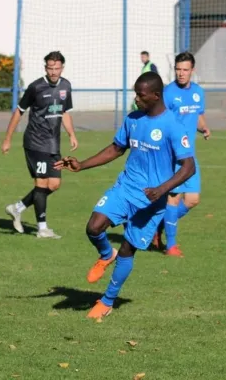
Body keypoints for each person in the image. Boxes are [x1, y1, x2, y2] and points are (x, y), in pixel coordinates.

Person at [54, 72, 195, 319]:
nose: (136, 99)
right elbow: (117, 148)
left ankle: (107, 301)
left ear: (156, 95)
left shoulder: (173, 125)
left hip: (151, 200)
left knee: (129, 248)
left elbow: (188, 166)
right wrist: (82, 165)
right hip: (125, 188)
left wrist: (162, 190)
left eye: (140, 95)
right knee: (93, 227)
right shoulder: (133, 119)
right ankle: (107, 254)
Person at [1, 51, 78, 238]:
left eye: (57, 68)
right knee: (42, 183)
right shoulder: (35, 87)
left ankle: (17, 208)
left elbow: (64, 112)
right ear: (45, 68)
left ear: (62, 68)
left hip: (53, 144)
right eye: (50, 68)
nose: (53, 72)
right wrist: (8, 138)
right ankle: (42, 228)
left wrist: (71, 134)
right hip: (35, 142)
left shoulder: (66, 86)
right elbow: (19, 111)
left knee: (54, 184)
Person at [152, 52, 210, 256]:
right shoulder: (168, 93)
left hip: (190, 156)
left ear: (192, 70)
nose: (181, 73)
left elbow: (198, 116)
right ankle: (172, 246)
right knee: (173, 199)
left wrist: (204, 128)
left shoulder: (198, 92)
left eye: (185, 70)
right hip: (172, 156)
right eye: (178, 69)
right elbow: (159, 119)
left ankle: (158, 223)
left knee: (193, 199)